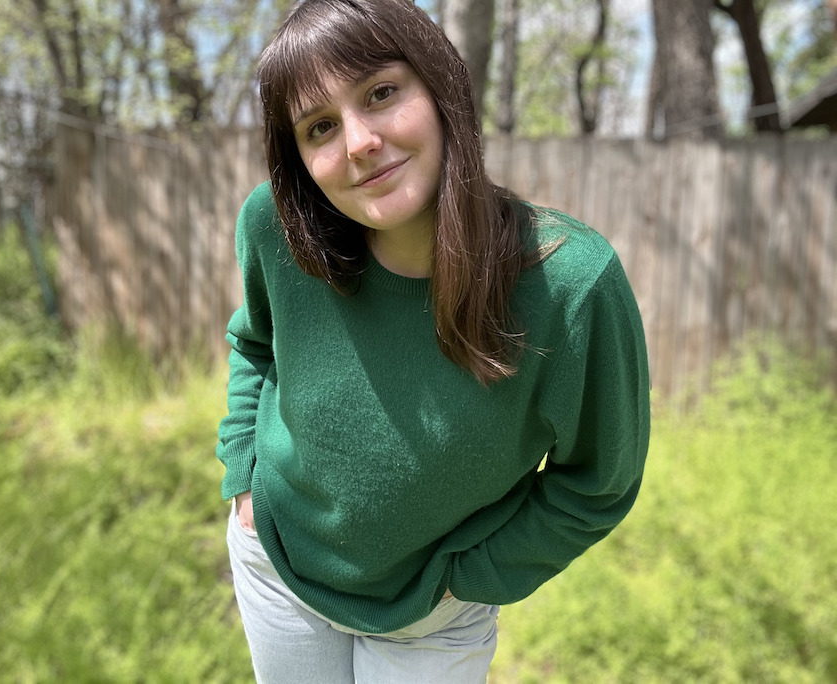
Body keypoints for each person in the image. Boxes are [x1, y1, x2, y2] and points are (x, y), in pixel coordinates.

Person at [215, 0, 650, 681]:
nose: (357, 142)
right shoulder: (273, 227)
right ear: (298, 158)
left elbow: (597, 485)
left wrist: (466, 579)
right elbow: (254, 344)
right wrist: (242, 473)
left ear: (440, 84)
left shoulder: (572, 286)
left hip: (430, 619)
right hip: (277, 568)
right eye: (319, 126)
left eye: (381, 93)